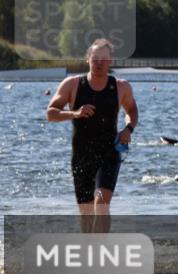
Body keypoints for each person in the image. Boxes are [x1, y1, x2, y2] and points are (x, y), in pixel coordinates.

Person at [46, 38, 138, 232]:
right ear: (87, 59)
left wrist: (128, 129)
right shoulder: (72, 85)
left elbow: (132, 112)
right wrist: (75, 113)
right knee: (87, 215)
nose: (99, 63)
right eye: (95, 58)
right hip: (81, 155)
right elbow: (51, 113)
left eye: (104, 59)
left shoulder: (121, 86)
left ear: (110, 61)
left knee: (101, 206)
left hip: (109, 153)